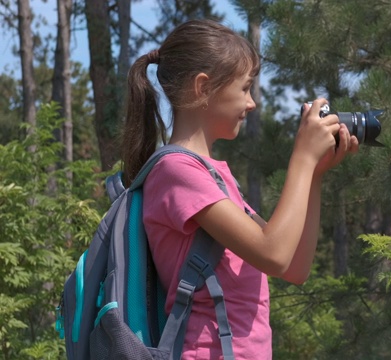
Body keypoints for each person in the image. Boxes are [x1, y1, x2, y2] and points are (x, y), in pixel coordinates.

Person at [120, 19, 358, 359]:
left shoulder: (211, 175)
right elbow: (273, 253)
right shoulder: (175, 171)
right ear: (203, 88)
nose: (252, 103)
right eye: (245, 88)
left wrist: (315, 175)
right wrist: (302, 161)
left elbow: (294, 267)